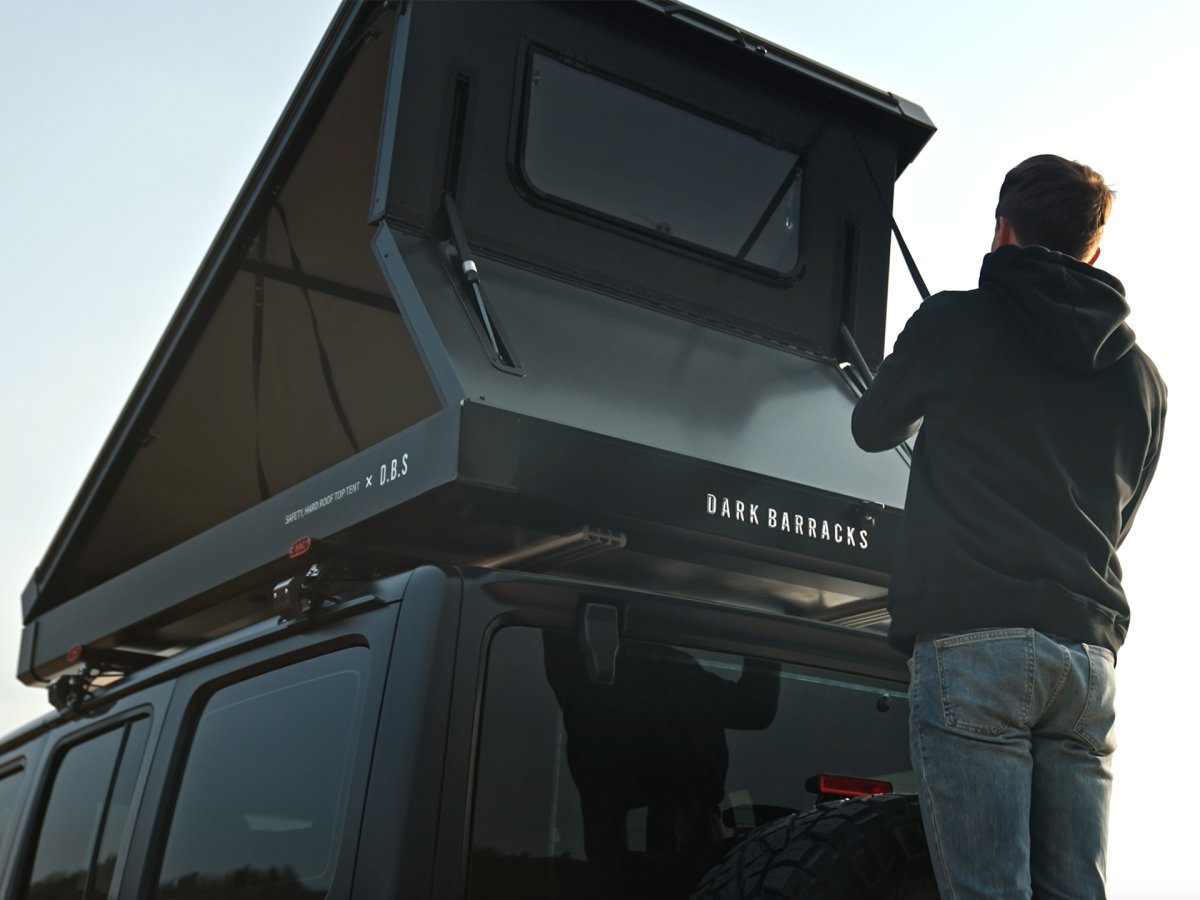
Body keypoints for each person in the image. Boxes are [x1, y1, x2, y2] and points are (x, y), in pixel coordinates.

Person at [851, 154, 1166, 899]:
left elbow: (872, 426)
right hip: (1086, 657)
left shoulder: (954, 321)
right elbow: (1118, 520)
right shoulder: (1144, 379)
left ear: (1002, 230)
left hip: (975, 641)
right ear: (1095, 248)